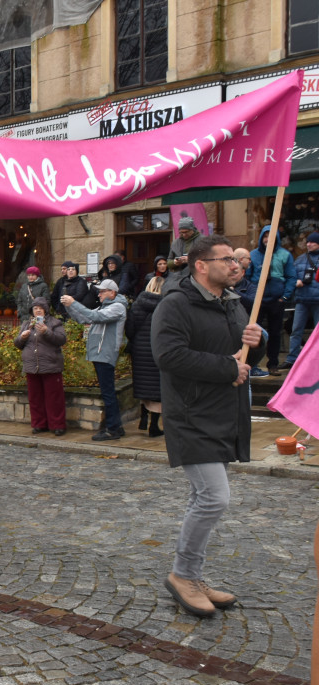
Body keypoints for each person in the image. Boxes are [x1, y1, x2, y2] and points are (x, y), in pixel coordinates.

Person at [151, 235, 265, 617]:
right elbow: (169, 356)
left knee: (203, 498)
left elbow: (242, 352)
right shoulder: (175, 304)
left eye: (237, 259)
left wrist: (258, 341)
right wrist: (227, 368)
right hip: (191, 415)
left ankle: (193, 574)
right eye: (227, 259)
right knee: (215, 497)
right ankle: (183, 575)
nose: (236, 265)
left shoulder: (233, 304)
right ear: (201, 265)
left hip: (224, 413)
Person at [61, 278, 128, 441]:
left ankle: (112, 429)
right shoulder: (105, 306)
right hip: (100, 354)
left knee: (108, 393)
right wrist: (68, 306)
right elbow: (83, 319)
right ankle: (116, 426)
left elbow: (94, 316)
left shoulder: (117, 307)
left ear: (112, 293)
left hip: (105, 354)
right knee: (108, 392)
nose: (99, 294)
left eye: (102, 291)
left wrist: (74, 302)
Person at [14, 297, 67, 436]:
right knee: (35, 398)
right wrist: (22, 337)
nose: (37, 310)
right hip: (32, 366)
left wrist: (46, 331)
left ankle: (57, 425)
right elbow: (18, 344)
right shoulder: (26, 324)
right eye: (35, 308)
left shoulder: (55, 323)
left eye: (40, 308)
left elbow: (61, 339)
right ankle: (39, 424)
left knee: (54, 398)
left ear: (45, 310)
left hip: (50, 365)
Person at [247, 225, 295, 376]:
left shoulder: (284, 255)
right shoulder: (253, 255)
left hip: (277, 300)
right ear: (261, 238)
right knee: (254, 332)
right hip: (258, 300)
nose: (268, 239)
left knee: (275, 332)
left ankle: (272, 364)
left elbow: (291, 277)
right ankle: (252, 365)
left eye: (271, 236)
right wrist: (251, 296)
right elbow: (247, 276)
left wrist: (285, 297)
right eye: (265, 236)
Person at [126, 276, 166, 437]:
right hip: (157, 350)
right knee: (156, 389)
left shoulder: (137, 305)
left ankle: (143, 418)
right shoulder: (165, 306)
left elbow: (130, 329)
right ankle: (154, 426)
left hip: (139, 350)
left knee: (143, 385)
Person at [279, 232, 319, 370]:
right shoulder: (300, 259)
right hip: (302, 300)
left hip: (317, 300)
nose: (309, 244)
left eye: (312, 242)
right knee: (296, 330)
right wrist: (295, 282)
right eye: (307, 242)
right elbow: (291, 276)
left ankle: (316, 359)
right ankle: (292, 358)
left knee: (317, 332)